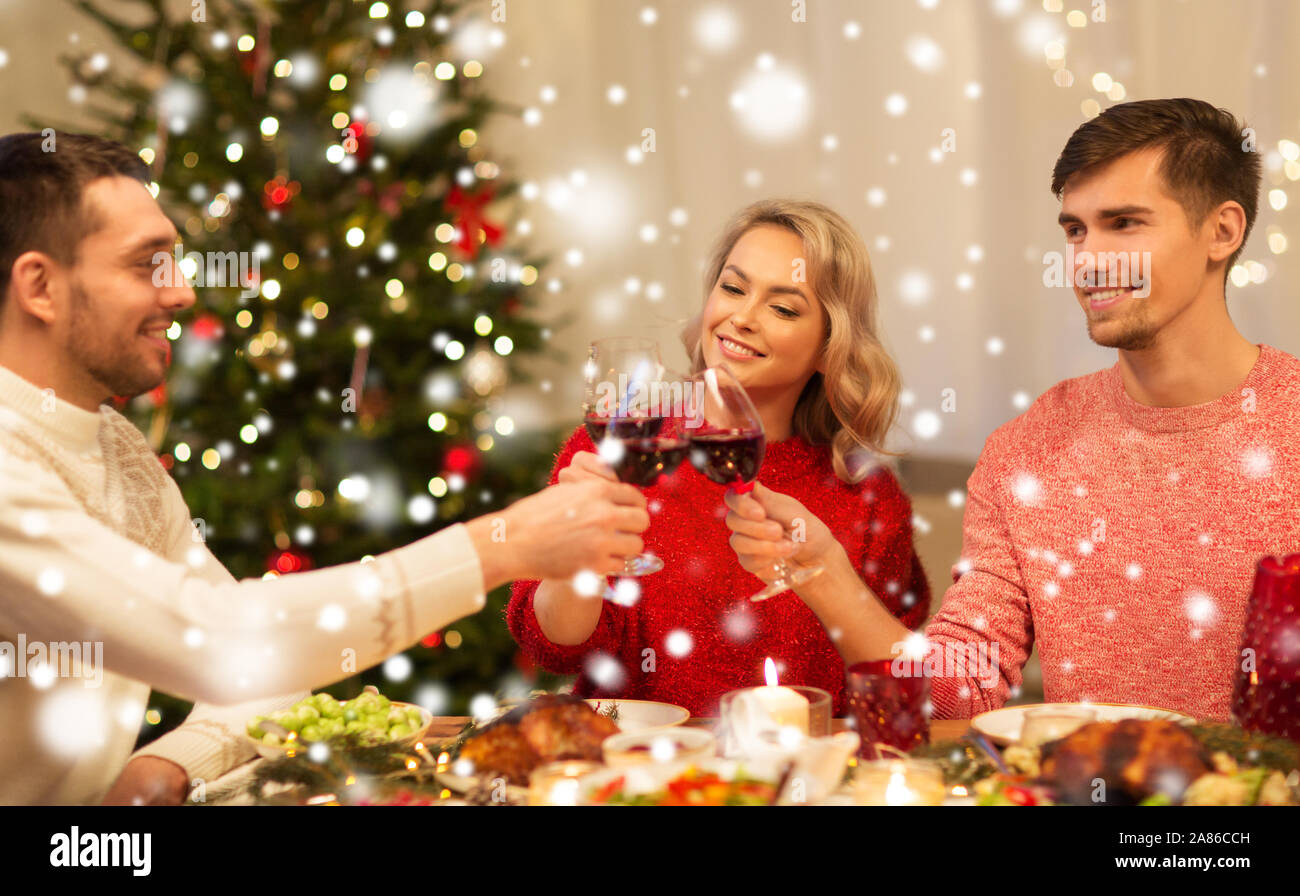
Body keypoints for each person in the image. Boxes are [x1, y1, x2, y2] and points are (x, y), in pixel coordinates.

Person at [0, 131, 650, 805]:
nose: (183, 292)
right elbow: (215, 637)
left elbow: (259, 663)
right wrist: (501, 544)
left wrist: (170, 764)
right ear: (40, 287)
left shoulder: (119, 450)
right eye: (148, 265)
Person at [726, 98, 1300, 721]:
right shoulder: (1028, 452)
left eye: (1125, 223)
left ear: (1223, 231)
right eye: (1076, 230)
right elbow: (958, 690)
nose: (1088, 260)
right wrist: (825, 576)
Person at [507, 200, 929, 716]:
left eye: (784, 308)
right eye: (732, 288)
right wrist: (577, 566)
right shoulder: (613, 451)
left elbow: (897, 686)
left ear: (828, 347)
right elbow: (552, 647)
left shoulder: (867, 494)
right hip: (634, 776)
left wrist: (826, 576)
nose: (742, 318)